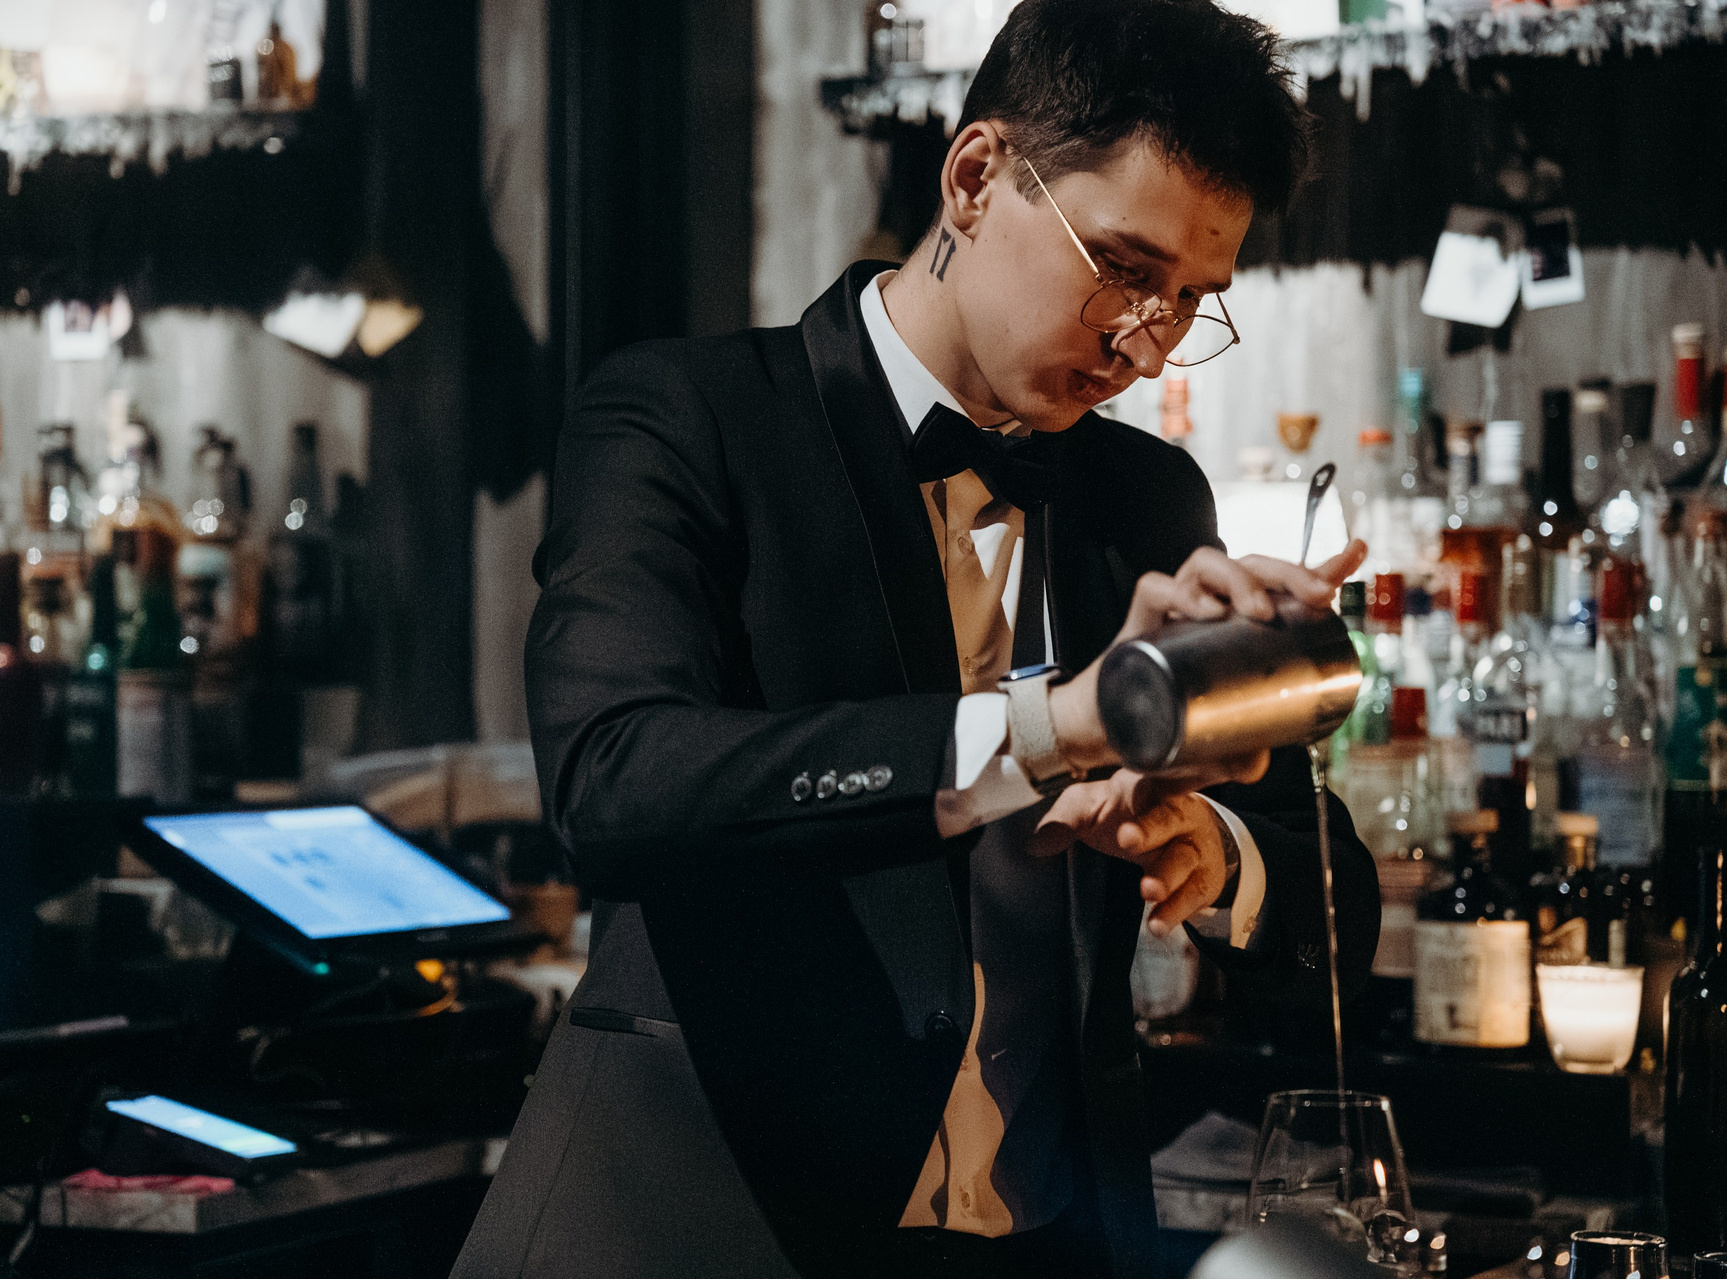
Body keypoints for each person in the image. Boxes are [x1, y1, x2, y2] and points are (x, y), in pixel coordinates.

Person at [450, 1, 1377, 1275]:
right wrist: (1052, 726)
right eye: (1122, 268)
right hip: (708, 1229)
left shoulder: (1149, 501)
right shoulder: (684, 419)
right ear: (977, 177)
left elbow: (1335, 902)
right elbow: (615, 784)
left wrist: (1210, 849)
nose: (1147, 344)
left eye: (1187, 302)